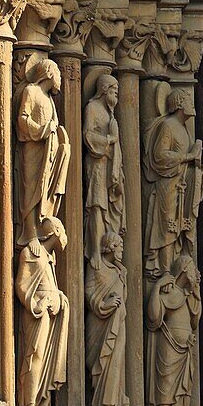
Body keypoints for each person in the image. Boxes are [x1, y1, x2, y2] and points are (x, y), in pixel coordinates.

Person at [16, 216, 69, 406]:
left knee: (50, 357)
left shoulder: (49, 258)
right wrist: (34, 304)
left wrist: (59, 298)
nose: (65, 236)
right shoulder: (31, 253)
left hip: (51, 312)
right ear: (55, 231)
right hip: (37, 313)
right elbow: (21, 284)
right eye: (63, 230)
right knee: (35, 355)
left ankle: (43, 402)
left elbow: (49, 285)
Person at [142, 90, 203, 276]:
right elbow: (160, 155)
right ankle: (165, 271)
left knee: (179, 224)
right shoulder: (169, 126)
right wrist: (188, 156)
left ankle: (176, 268)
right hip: (168, 184)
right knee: (167, 226)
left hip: (181, 184)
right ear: (178, 103)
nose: (191, 103)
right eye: (187, 100)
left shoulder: (183, 128)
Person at [15, 58, 70, 253]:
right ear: (49, 73)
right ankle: (30, 233)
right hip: (33, 149)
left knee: (45, 190)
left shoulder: (49, 99)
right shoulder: (32, 91)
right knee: (30, 189)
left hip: (49, 153)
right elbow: (23, 119)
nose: (61, 79)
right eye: (59, 74)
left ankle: (41, 229)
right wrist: (42, 130)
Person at [145, 255, 201, 406]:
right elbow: (154, 318)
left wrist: (196, 292)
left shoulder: (189, 296)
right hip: (168, 344)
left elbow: (194, 321)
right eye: (193, 269)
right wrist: (156, 288)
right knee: (165, 386)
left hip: (185, 348)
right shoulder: (169, 291)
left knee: (185, 386)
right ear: (184, 269)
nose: (197, 273)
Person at [85, 231, 129, 406]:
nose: (122, 250)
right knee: (104, 364)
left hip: (118, 325)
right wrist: (104, 304)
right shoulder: (97, 267)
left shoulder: (121, 271)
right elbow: (89, 292)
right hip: (101, 324)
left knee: (116, 365)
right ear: (110, 247)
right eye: (119, 246)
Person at [83, 74, 124, 268]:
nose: (117, 95)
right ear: (104, 89)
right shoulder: (93, 108)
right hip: (97, 164)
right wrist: (109, 139)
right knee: (97, 206)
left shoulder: (109, 113)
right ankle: (95, 252)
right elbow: (88, 135)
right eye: (114, 90)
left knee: (105, 206)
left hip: (108, 165)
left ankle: (106, 246)